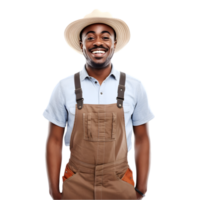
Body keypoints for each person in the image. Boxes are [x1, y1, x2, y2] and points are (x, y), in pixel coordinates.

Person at [43, 8, 155, 200]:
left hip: (120, 183)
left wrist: (141, 187)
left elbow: (142, 138)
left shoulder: (134, 87)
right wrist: (54, 190)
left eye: (105, 37)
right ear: (81, 44)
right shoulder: (64, 87)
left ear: (114, 43)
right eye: (90, 37)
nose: (98, 42)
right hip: (75, 184)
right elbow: (54, 140)